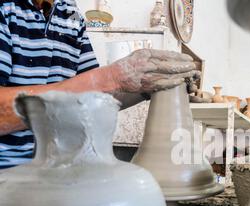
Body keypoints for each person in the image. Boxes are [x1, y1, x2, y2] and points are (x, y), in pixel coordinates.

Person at [0, 0, 198, 169]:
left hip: (57, 172)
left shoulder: (69, 13)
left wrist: (146, 86)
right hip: (10, 175)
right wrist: (112, 77)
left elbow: (91, 96)